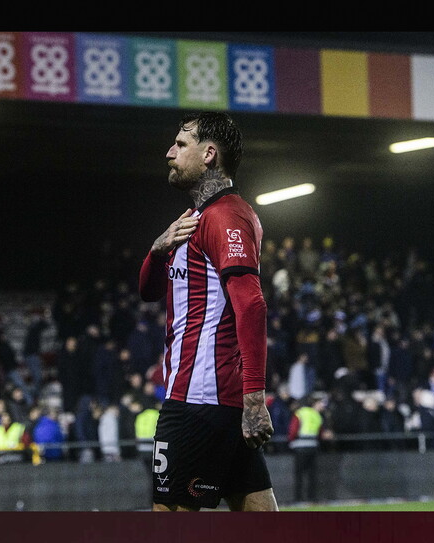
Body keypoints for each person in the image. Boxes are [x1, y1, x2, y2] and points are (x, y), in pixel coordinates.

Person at [138, 111, 278, 511]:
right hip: (218, 403)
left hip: (197, 402)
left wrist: (255, 398)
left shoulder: (226, 215)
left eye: (181, 144)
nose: (170, 152)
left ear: (209, 154)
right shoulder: (193, 221)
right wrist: (156, 249)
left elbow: (251, 304)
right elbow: (149, 292)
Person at [288, 395, 327, 504]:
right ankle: (311, 498)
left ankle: (298, 499)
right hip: (313, 447)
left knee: (299, 475)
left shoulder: (299, 413)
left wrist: (291, 441)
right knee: (312, 475)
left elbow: (293, 431)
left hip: (300, 448)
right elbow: (320, 432)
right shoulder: (316, 414)